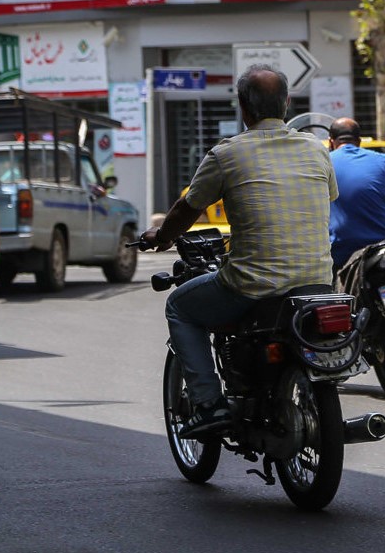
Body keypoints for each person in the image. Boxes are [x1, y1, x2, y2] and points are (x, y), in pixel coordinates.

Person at [139, 65, 337, 439]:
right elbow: (327, 198)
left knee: (179, 307)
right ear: (287, 103)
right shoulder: (316, 149)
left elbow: (186, 209)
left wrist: (162, 237)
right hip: (316, 283)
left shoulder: (226, 154)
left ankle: (210, 404)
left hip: (251, 284)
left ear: (243, 107)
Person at [327, 117, 385, 272]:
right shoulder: (383, 160)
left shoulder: (325, 162)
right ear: (359, 141)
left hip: (342, 248)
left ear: (330, 142)